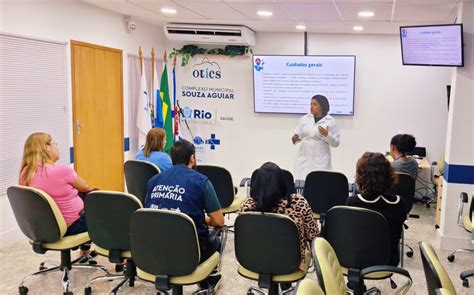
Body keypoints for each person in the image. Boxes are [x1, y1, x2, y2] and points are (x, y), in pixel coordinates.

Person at [145, 139, 224, 290]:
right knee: (215, 239)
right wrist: (206, 220)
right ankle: (206, 283)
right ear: (192, 158)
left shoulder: (153, 180)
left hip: (154, 248)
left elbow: (150, 213)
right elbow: (219, 221)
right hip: (189, 252)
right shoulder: (201, 182)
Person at [240, 162, 319, 271]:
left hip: (254, 262)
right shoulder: (298, 202)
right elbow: (313, 234)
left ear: (257, 183)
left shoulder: (247, 207)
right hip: (292, 264)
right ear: (282, 182)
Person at [19, 133, 93, 237]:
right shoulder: (62, 171)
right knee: (105, 206)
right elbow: (86, 187)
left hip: (43, 228)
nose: (57, 147)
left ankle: (85, 248)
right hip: (73, 226)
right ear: (46, 147)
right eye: (55, 144)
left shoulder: (25, 172)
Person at [346, 152, 407, 266]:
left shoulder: (352, 202)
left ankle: (355, 282)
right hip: (388, 261)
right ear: (389, 175)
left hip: (356, 260)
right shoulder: (399, 203)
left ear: (360, 176)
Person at [292, 94, 340, 180]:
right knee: (301, 184)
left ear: (322, 106)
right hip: (304, 159)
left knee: (319, 184)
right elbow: (297, 134)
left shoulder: (330, 121)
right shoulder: (305, 118)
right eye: (311, 104)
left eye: (314, 104)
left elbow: (336, 143)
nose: (311, 106)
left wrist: (327, 135)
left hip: (320, 161)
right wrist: (295, 138)